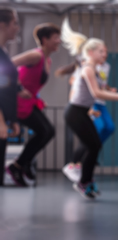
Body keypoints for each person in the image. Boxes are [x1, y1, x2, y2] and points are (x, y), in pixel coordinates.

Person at [61, 24, 118, 199]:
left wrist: (103, 97)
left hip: (82, 111)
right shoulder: (88, 69)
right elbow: (96, 93)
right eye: (100, 51)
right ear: (90, 52)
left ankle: (86, 180)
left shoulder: (95, 69)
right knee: (93, 145)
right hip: (75, 112)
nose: (104, 54)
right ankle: (83, 179)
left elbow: (98, 89)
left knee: (95, 144)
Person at [6, 23, 61, 186]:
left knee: (48, 132)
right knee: (46, 131)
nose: (59, 41)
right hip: (18, 102)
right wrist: (18, 88)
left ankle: (21, 164)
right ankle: (20, 165)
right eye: (56, 38)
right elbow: (8, 64)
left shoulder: (47, 60)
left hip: (29, 102)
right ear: (45, 40)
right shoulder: (36, 55)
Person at [0, 7, 21, 186]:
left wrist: (12, 119)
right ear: (2, 25)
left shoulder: (4, 52)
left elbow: (6, 87)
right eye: (14, 23)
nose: (17, 27)